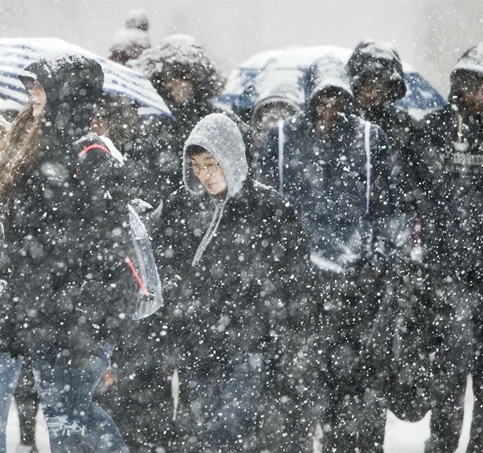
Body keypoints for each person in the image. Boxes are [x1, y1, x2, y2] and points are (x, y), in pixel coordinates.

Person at [0, 53, 138, 453]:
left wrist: (80, 313)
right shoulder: (39, 148)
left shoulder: (92, 155)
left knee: (70, 410)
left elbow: (103, 242)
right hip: (48, 312)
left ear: (65, 95)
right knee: (61, 417)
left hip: (81, 315)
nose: (32, 95)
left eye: (40, 87)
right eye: (30, 87)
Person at [258, 55, 397, 452]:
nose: (330, 108)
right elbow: (266, 212)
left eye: (338, 98)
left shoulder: (370, 139)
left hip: (355, 287)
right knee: (292, 396)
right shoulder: (282, 139)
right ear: (309, 96)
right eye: (323, 98)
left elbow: (389, 211)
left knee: (350, 394)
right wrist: (278, 269)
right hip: (297, 289)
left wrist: (376, 263)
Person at [152, 113, 312, 452]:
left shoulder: (270, 209)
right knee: (197, 433)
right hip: (198, 344)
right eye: (196, 166)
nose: (203, 175)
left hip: (250, 346)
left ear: (231, 157)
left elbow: (295, 283)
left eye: (211, 163)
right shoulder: (182, 208)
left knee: (232, 433)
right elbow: (165, 269)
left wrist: (279, 339)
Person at [416, 42, 483, 453]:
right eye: (467, 84)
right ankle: (441, 446)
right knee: (448, 380)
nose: (474, 95)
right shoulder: (433, 131)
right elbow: (415, 192)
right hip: (449, 278)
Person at [345, 39, 433, 424]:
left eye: (380, 83)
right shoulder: (339, 128)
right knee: (345, 364)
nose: (372, 91)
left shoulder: (405, 130)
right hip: (346, 258)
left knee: (379, 360)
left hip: (390, 260)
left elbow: (423, 190)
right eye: (366, 82)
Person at [131, 35, 250, 196]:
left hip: (218, 209)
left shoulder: (222, 121)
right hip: (171, 213)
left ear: (197, 78)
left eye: (183, 75)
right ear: (160, 81)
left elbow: (244, 165)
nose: (177, 82)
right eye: (170, 77)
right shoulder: (155, 127)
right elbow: (142, 175)